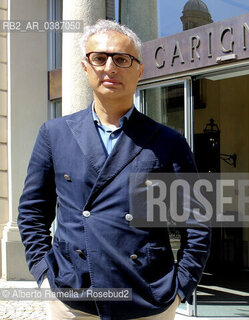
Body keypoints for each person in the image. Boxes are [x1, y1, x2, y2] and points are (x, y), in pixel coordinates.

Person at [17, 19, 210, 320]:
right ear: (85, 66)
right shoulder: (54, 134)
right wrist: (44, 275)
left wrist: (181, 287)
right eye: (100, 58)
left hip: (146, 301)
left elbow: (197, 222)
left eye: (122, 59)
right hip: (73, 298)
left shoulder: (168, 141)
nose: (110, 68)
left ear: (139, 70)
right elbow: (32, 213)